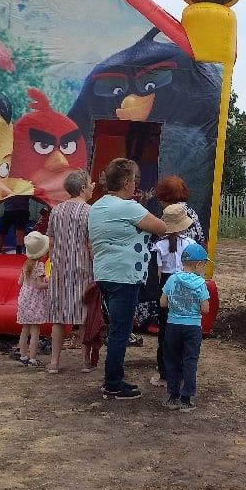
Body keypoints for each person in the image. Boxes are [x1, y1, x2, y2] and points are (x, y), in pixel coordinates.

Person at [87, 157, 169, 400]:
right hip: (125, 276)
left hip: (105, 273)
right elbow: (161, 227)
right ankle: (112, 383)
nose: (136, 185)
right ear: (125, 182)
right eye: (134, 180)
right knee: (120, 332)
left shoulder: (98, 206)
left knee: (117, 328)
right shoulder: (128, 207)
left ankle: (115, 377)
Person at [44, 169, 93, 375]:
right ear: (83, 188)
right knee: (85, 316)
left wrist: (54, 262)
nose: (93, 187)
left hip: (60, 269)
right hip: (83, 268)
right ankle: (85, 361)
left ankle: (54, 362)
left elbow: (51, 242)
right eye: (90, 183)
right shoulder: (90, 211)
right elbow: (91, 244)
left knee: (59, 317)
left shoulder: (56, 210)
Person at [150, 202, 201, 385]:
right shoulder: (191, 244)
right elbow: (197, 271)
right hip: (187, 285)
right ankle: (183, 372)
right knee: (186, 327)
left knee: (165, 330)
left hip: (167, 285)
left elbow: (157, 273)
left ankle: (165, 373)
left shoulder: (159, 246)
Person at [159, 241, 211, 410]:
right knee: (190, 361)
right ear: (198, 264)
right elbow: (205, 309)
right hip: (192, 327)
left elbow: (162, 303)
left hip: (173, 326)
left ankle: (172, 397)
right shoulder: (200, 284)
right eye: (203, 265)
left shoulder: (172, 278)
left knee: (172, 360)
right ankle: (186, 399)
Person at [15, 230, 51, 367]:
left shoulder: (26, 264)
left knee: (25, 329)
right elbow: (39, 285)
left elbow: (20, 282)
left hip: (24, 298)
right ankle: (32, 358)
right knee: (35, 330)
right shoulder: (40, 265)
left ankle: (23, 356)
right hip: (35, 301)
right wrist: (50, 284)